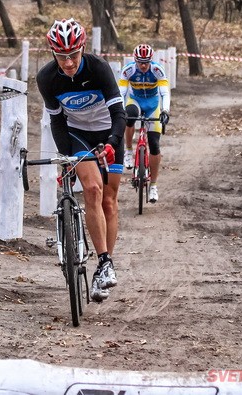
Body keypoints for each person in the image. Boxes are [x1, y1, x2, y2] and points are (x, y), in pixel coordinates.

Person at [36, 18, 126, 302]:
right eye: (62, 57)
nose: (69, 63)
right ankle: (104, 261)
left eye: (73, 55)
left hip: (109, 132)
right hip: (76, 134)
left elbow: (119, 114)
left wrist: (112, 143)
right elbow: (57, 122)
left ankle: (103, 268)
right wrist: (67, 159)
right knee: (93, 189)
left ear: (82, 49)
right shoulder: (47, 78)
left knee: (109, 200)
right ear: (53, 53)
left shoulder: (98, 68)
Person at [118, 44, 170, 203]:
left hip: (153, 105)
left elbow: (164, 92)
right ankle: (128, 151)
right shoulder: (128, 70)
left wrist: (165, 111)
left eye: (146, 62)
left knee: (154, 144)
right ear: (135, 60)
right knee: (130, 116)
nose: (143, 65)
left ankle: (153, 185)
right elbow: (122, 93)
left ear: (151, 60)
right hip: (135, 101)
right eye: (140, 61)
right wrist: (119, 111)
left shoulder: (157, 70)